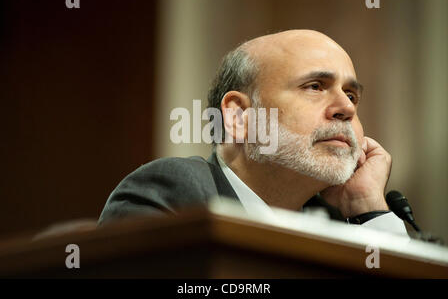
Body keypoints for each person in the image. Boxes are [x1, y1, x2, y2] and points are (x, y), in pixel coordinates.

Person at [98, 29, 407, 235]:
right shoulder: (178, 194)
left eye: (352, 95)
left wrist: (367, 208)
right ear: (239, 116)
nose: (347, 108)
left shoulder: (345, 224)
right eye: (315, 87)